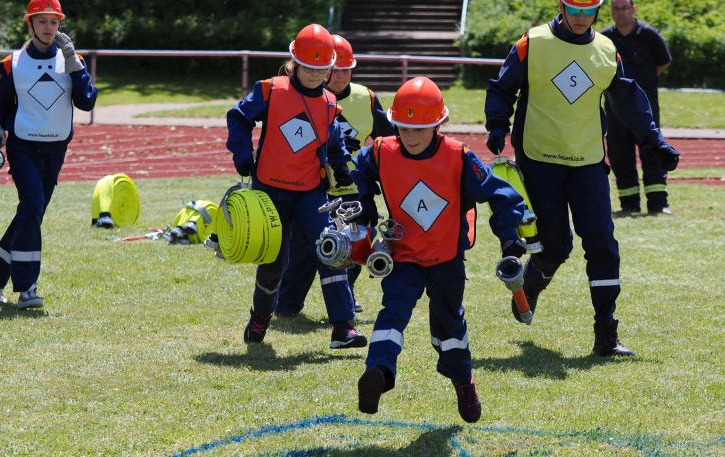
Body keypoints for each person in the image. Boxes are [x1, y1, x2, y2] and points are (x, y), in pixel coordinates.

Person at [483, 0, 681, 357]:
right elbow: (501, 88)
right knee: (555, 248)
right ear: (561, 6)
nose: (579, 16)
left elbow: (629, 101)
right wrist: (498, 123)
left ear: (598, 11)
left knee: (603, 243)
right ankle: (532, 281)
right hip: (539, 159)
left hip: (588, 162)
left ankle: (606, 332)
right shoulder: (532, 43)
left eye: (587, 10)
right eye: (573, 8)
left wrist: (655, 141)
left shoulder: (607, 50)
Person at [352, 77, 527, 423]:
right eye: (403, 127)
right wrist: (366, 206)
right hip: (403, 258)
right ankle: (379, 374)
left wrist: (509, 239)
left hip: (447, 259)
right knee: (392, 314)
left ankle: (463, 382)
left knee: (448, 329)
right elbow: (360, 166)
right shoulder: (380, 151)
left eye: (420, 128)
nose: (410, 136)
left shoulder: (460, 158)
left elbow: (502, 196)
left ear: (438, 124)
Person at [225, 24, 367, 349]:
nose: (316, 74)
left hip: (309, 195)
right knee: (273, 263)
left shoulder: (330, 103)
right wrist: (243, 156)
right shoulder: (270, 90)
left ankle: (342, 327)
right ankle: (261, 317)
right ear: (294, 63)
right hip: (270, 192)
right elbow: (238, 117)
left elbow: (331, 140)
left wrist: (342, 168)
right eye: (309, 67)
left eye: (322, 68)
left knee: (332, 248)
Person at [275, 34, 395, 318]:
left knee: (354, 246)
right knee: (303, 250)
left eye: (346, 69)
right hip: (314, 187)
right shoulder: (305, 96)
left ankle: (346, 299)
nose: (340, 76)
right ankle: (287, 303)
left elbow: (388, 141)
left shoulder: (366, 97)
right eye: (336, 70)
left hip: (353, 188)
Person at [0, 0, 98, 308]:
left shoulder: (73, 60)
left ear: (59, 25)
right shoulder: (14, 63)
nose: (49, 27)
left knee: (30, 213)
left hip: (56, 149)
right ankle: (27, 288)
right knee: (33, 205)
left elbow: (87, 102)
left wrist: (75, 66)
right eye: (42, 22)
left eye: (53, 22)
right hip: (22, 146)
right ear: (31, 24)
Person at [601, 0, 673, 215]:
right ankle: (629, 203)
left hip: (646, 106)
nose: (620, 12)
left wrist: (645, 81)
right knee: (619, 154)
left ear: (633, 10)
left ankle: (658, 203)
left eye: (624, 8)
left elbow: (664, 61)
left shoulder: (649, 35)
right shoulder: (604, 38)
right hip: (615, 108)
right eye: (616, 8)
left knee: (652, 151)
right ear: (611, 11)